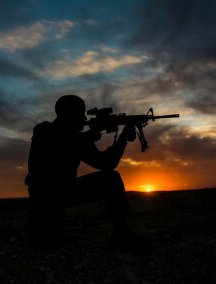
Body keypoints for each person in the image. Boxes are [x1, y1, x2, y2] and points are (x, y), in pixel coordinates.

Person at [25, 95, 150, 251]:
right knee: (111, 178)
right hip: (48, 198)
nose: (84, 117)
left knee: (48, 242)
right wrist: (107, 137)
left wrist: (112, 138)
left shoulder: (72, 137)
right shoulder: (44, 130)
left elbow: (102, 161)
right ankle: (121, 234)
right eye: (80, 113)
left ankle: (121, 234)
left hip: (55, 196)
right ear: (68, 114)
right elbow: (102, 161)